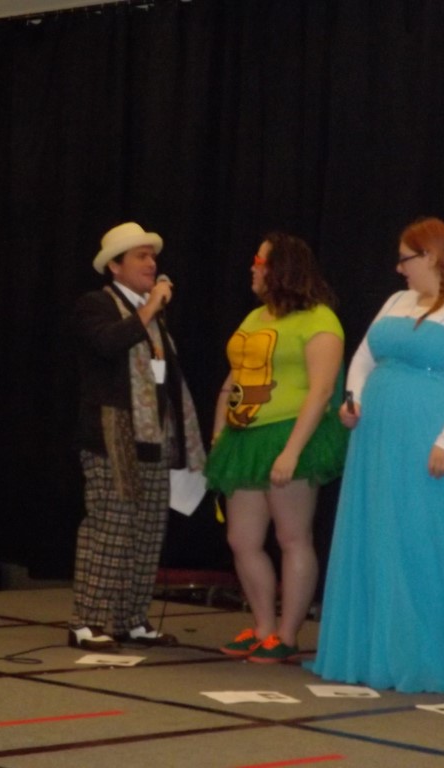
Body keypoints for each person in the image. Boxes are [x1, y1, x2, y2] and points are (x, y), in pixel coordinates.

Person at [309, 216, 444, 693]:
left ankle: (423, 657)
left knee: (422, 540)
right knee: (379, 536)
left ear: (430, 256)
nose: (399, 268)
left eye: (405, 259)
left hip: (430, 438)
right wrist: (354, 400)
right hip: (377, 441)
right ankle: (374, 652)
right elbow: (363, 358)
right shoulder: (396, 302)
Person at [204, 232, 346, 664]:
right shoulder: (254, 318)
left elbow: (322, 390)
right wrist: (219, 432)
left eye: (259, 260)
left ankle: (287, 633)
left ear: (281, 267)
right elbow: (235, 377)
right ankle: (263, 626)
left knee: (292, 536)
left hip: (290, 432)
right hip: (245, 436)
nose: (253, 267)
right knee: (242, 539)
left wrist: (292, 451)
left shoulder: (319, 320)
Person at [67, 222, 205, 651]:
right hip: (112, 435)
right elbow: (108, 344)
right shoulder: (95, 304)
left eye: (153, 255)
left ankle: (130, 619)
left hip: (154, 437)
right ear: (115, 266)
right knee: (110, 525)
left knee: (147, 529)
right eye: (141, 256)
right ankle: (88, 621)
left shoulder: (153, 313)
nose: (152, 263)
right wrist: (149, 310)